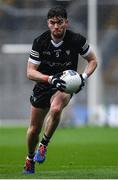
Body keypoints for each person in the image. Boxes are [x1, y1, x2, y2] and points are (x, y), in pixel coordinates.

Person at [23, 6, 97, 174]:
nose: (56, 26)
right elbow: (30, 72)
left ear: (66, 23)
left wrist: (82, 77)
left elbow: (93, 60)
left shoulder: (77, 40)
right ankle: (29, 158)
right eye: (52, 23)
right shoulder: (40, 42)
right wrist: (49, 79)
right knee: (34, 129)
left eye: (60, 22)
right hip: (44, 84)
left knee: (56, 108)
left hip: (64, 85)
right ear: (48, 24)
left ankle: (43, 145)